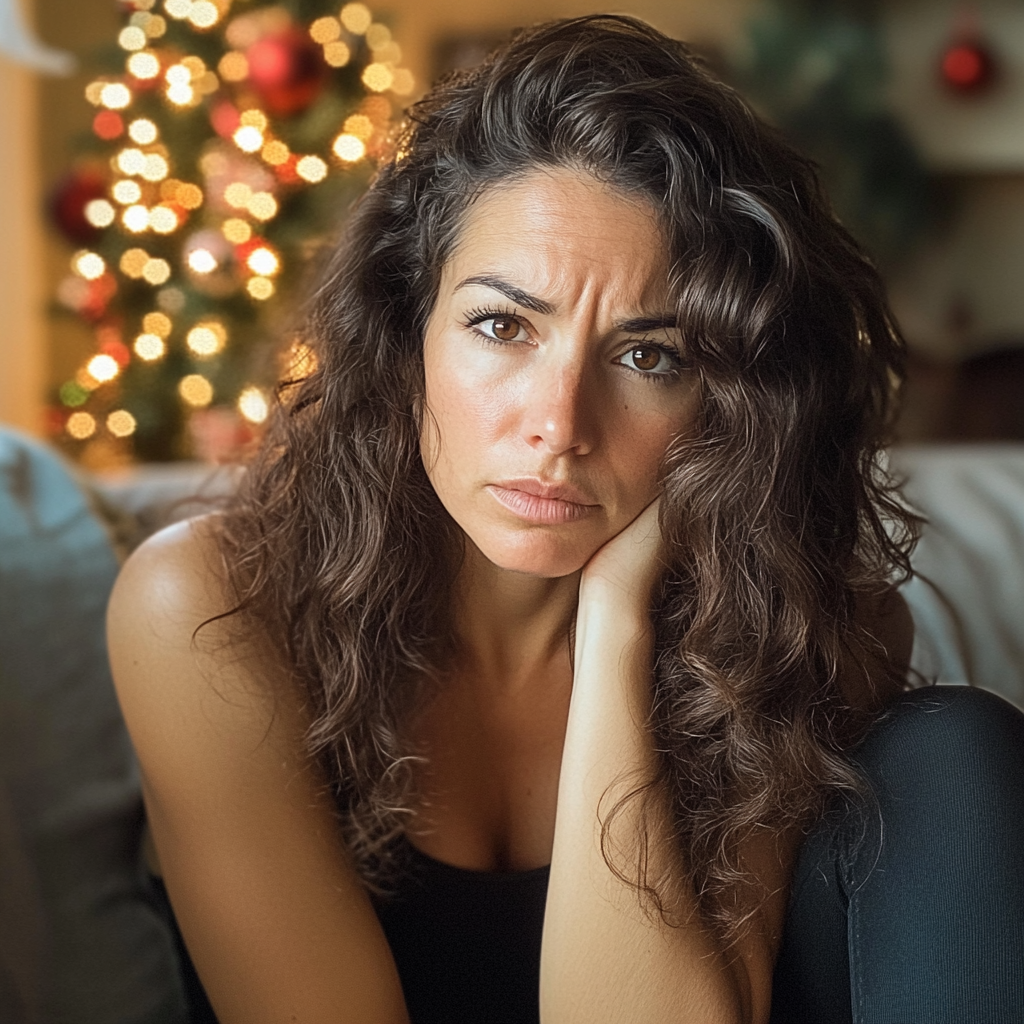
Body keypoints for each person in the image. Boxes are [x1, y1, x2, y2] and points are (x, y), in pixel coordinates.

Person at [107, 15, 1024, 1024]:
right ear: (408, 335)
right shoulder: (209, 610)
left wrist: (616, 624)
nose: (557, 424)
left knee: (950, 749)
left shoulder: (806, 629)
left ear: (733, 406)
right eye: (503, 326)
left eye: (649, 357)